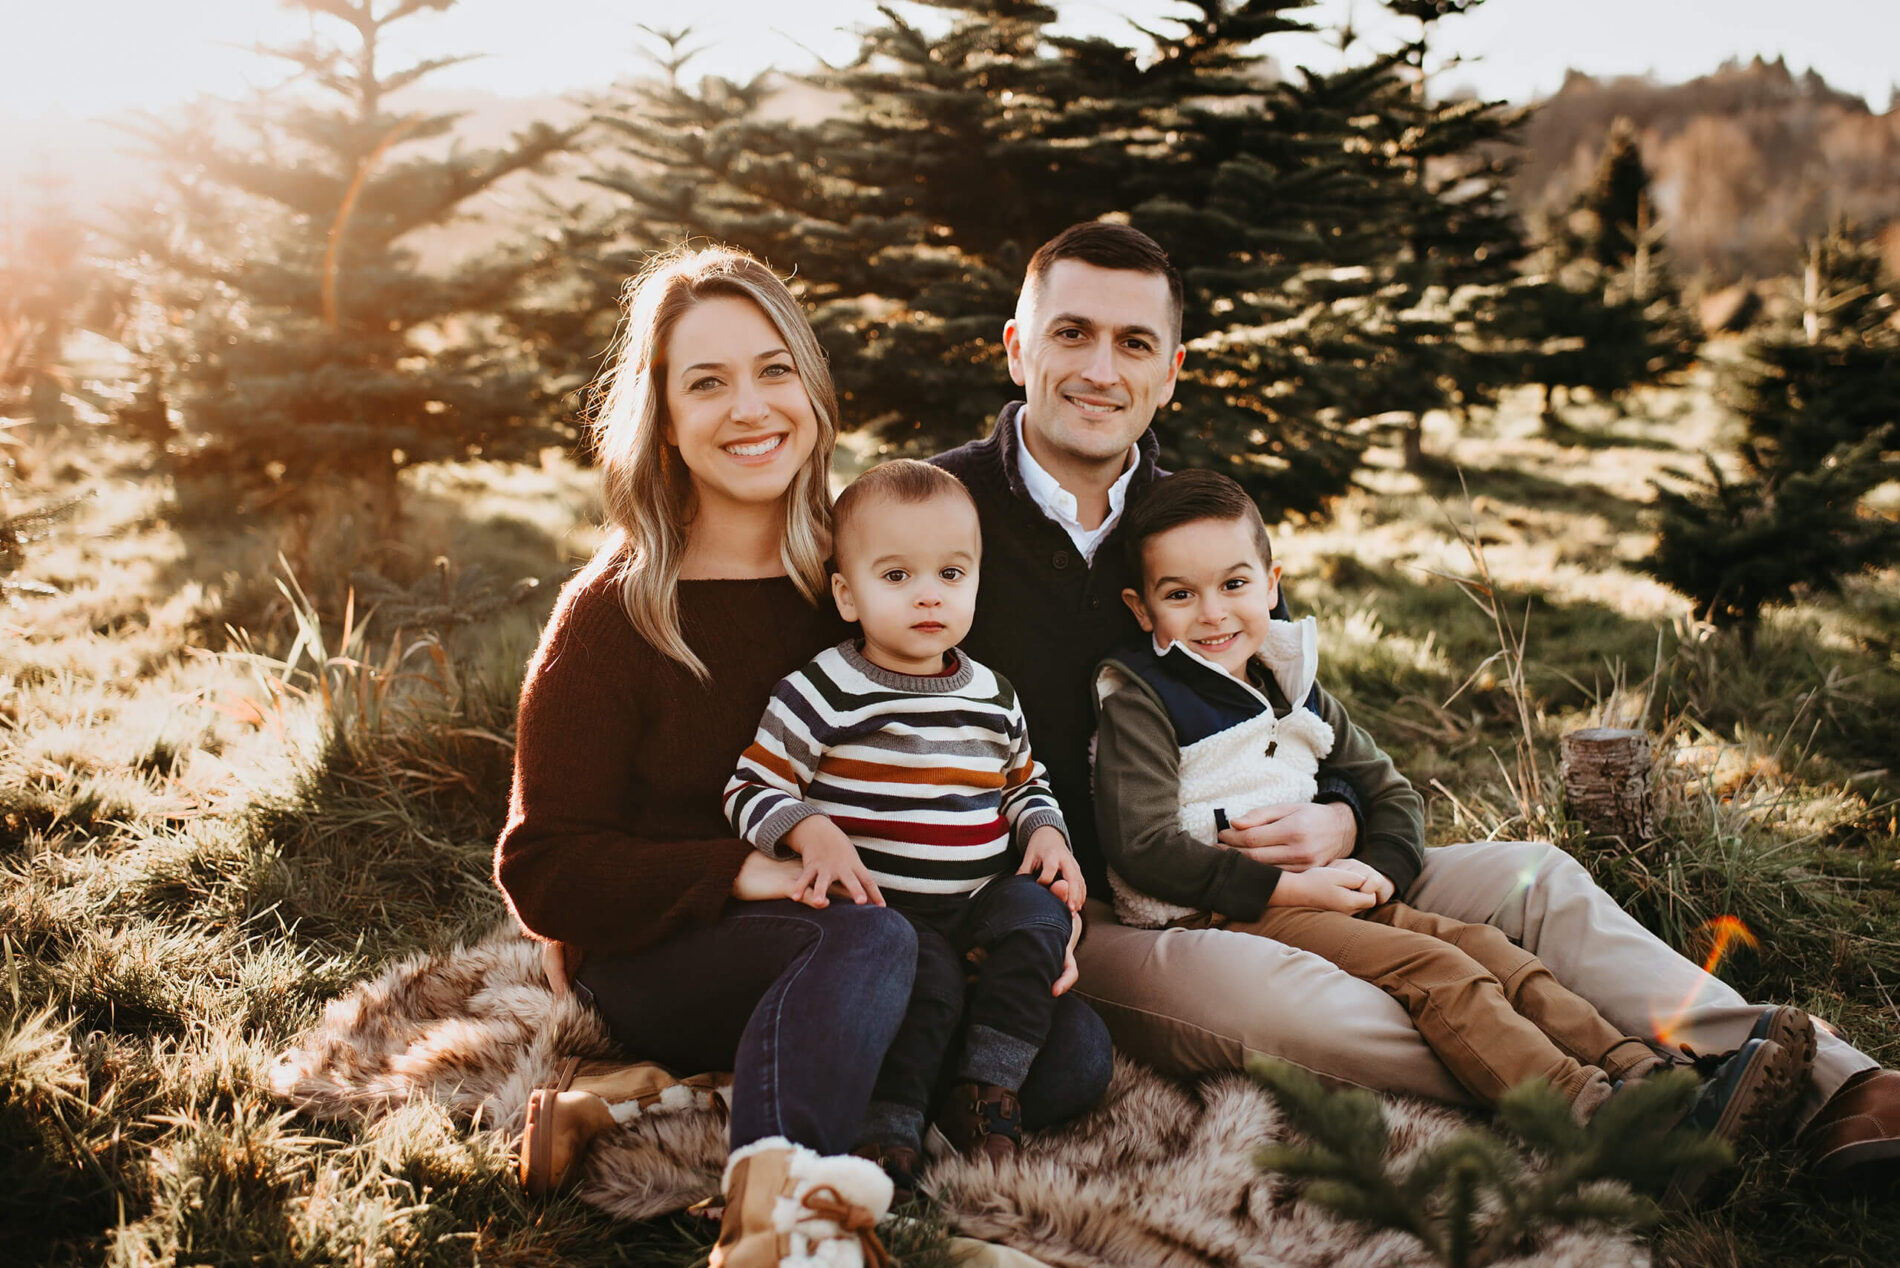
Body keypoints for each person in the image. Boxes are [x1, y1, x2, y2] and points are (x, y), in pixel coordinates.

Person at [929, 219, 1900, 1181]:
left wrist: (1341, 823)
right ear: (1019, 349)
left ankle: (1819, 1081)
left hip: (1296, 857)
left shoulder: (1198, 524)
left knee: (1534, 874)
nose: (1101, 367)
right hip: (1104, 916)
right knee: (1308, 1001)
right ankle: (1608, 1101)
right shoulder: (936, 518)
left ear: (1171, 370)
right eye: (1072, 333)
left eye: (1133, 342)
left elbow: (1319, 729)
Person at [490, 247, 1111, 1263]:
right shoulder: (614, 611)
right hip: (677, 954)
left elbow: (954, 751)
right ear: (665, 412)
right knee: (859, 943)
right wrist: (749, 868)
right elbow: (543, 864)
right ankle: (779, 1224)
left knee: (1068, 1057)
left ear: (813, 392)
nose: (750, 406)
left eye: (774, 369)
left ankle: (652, 1101)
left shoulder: (868, 567)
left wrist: (1023, 916)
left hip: (876, 930)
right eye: (708, 380)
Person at [1092, 468, 1814, 1193]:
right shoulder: (1143, 702)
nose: (1213, 613)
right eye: (1179, 594)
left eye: (1234, 584)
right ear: (1141, 606)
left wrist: (1379, 864)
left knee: (1490, 949)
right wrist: (1288, 883)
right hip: (1231, 910)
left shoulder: (1288, 679)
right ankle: (1593, 1120)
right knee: (1441, 973)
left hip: (1330, 892)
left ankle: (1650, 1078)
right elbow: (1144, 847)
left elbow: (1390, 789)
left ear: (1272, 582)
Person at [724, 458, 1091, 1195]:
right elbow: (750, 787)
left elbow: (1025, 784)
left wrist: (1045, 832)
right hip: (883, 912)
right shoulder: (825, 687)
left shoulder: (992, 695)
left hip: (976, 901)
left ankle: (989, 1091)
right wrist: (807, 828)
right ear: (847, 594)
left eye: (952, 575)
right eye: (897, 577)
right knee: (926, 986)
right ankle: (888, 1132)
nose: (930, 595)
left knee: (1037, 914)